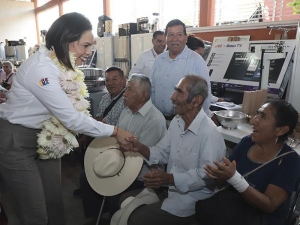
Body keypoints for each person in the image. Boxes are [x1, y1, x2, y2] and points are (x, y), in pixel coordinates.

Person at [0, 12, 133, 225]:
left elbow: (74, 112)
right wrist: (115, 132)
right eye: (85, 46)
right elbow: (71, 118)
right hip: (17, 140)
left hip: (47, 134)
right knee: (34, 213)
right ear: (67, 42)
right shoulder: (41, 68)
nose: (89, 53)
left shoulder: (63, 65)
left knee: (54, 203)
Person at [122, 75, 226, 225]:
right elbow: (163, 152)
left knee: (137, 219)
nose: (172, 97)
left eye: (179, 92)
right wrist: (139, 147)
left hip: (194, 203)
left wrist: (169, 179)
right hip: (171, 192)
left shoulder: (209, 133)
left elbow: (206, 176)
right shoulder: (177, 122)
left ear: (196, 101)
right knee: (123, 201)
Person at [80, 74, 166, 222]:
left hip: (143, 170)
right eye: (126, 89)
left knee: (115, 193)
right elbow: (116, 139)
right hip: (120, 159)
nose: (124, 94)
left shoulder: (155, 119)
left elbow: (141, 155)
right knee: (85, 177)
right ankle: (96, 217)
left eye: (129, 90)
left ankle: (116, 219)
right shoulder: (126, 110)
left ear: (143, 94)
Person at [203, 100, 300, 225]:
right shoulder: (247, 142)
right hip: (234, 212)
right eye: (257, 114)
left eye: (263, 117)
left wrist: (234, 178)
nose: (254, 121)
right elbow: (226, 180)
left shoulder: (290, 161)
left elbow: (269, 205)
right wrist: (219, 176)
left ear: (281, 130)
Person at [73, 65, 127, 196]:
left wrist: (96, 127)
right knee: (79, 146)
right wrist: (87, 135)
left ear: (124, 81)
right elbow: (98, 118)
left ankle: (98, 185)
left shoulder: (126, 98)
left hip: (115, 137)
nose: (110, 83)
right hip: (101, 132)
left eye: (114, 79)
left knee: (88, 149)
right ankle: (90, 182)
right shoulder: (105, 97)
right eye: (108, 80)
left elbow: (108, 122)